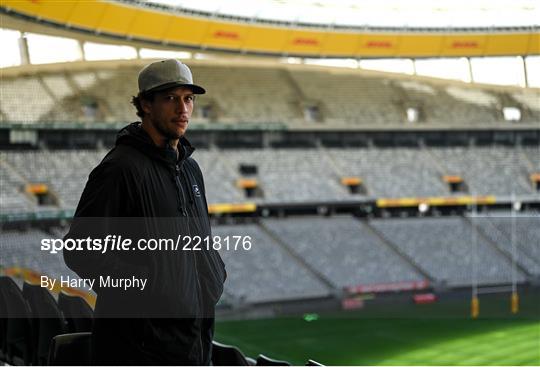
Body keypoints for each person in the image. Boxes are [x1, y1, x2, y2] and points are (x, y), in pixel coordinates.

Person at [63, 59, 226, 365]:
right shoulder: (119, 168)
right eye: (170, 98)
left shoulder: (190, 168)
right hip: (139, 349)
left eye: (188, 98)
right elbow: (80, 250)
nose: (183, 109)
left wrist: (214, 274)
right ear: (145, 105)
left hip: (192, 343)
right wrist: (150, 290)